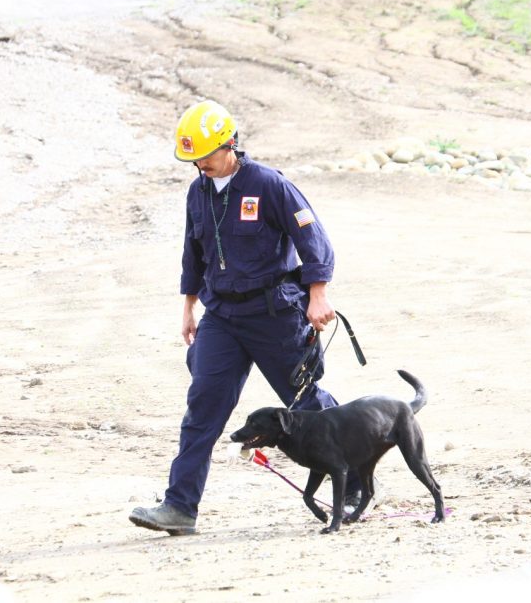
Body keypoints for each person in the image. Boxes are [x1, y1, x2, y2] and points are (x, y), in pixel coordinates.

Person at [129, 99, 362, 535]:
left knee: (304, 404)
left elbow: (313, 238)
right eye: (192, 158)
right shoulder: (198, 191)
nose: (199, 164)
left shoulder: (269, 184)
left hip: (274, 314)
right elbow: (192, 251)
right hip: (221, 316)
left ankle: (353, 482)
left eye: (206, 155)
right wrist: (188, 306)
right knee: (203, 407)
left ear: (229, 144)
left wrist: (318, 295)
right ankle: (180, 507)